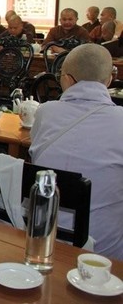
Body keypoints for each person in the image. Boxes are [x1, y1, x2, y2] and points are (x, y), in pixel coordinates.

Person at [29, 44, 123, 260]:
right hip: (103, 249)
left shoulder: (45, 112)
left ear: (67, 79)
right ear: (109, 80)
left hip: (42, 236)